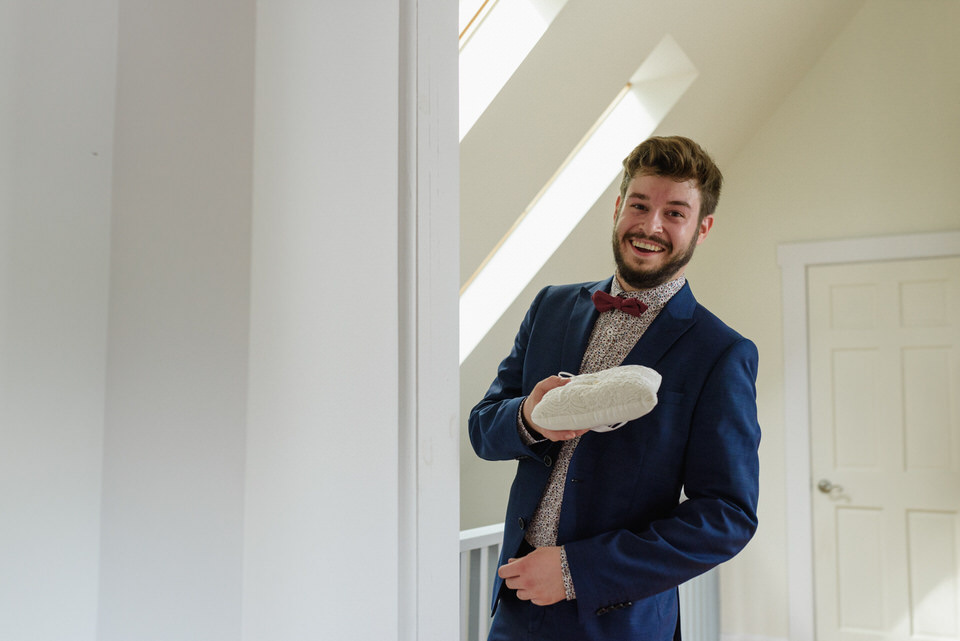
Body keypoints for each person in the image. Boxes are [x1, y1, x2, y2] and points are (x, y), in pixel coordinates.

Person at [468, 136, 761, 641]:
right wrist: (528, 419)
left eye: (675, 213)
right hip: (515, 608)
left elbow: (727, 516)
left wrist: (574, 570)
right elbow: (482, 427)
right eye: (640, 205)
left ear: (702, 228)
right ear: (617, 208)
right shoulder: (549, 306)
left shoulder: (721, 352)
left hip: (620, 621)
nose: (651, 226)